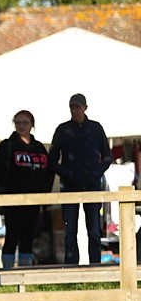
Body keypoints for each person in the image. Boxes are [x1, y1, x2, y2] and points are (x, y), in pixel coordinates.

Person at [49, 93, 111, 264]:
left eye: (78, 107)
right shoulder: (63, 130)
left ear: (85, 107)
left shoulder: (95, 128)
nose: (75, 110)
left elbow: (108, 156)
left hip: (92, 184)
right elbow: (51, 160)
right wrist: (66, 174)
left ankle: (96, 266)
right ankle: (71, 268)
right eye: (72, 107)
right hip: (69, 185)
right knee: (70, 231)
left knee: (94, 230)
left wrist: (96, 172)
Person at [0, 110, 53, 268]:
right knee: (12, 236)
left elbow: (49, 171)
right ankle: (7, 274)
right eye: (18, 122)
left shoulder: (39, 147)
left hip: (34, 200)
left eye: (25, 122)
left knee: (29, 238)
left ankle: (26, 273)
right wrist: (13, 187)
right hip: (13, 199)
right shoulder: (7, 145)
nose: (21, 126)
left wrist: (45, 191)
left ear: (32, 125)